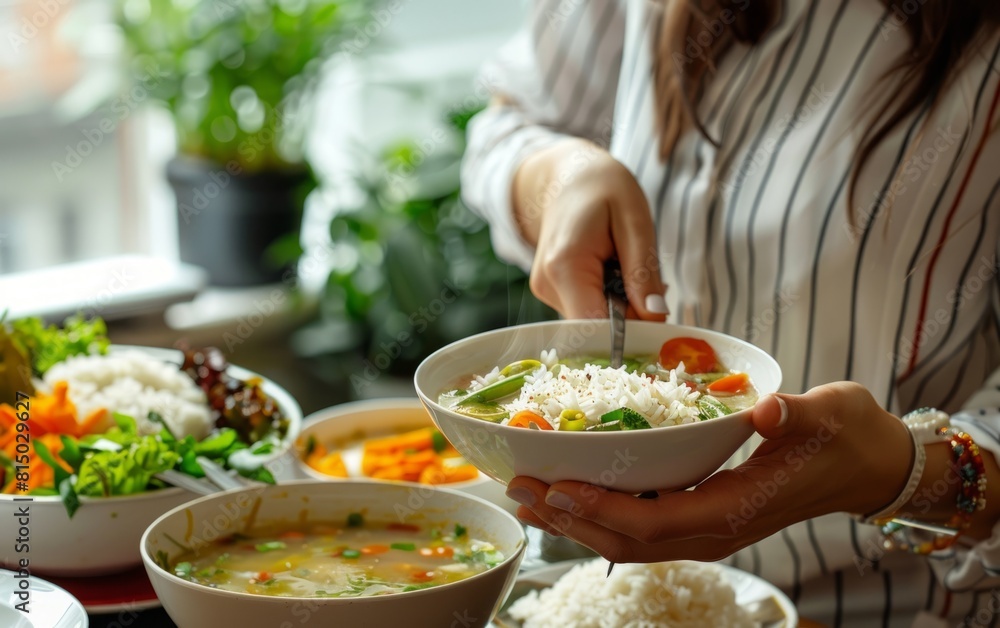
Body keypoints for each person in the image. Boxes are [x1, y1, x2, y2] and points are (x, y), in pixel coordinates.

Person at [460, 1, 1000, 625]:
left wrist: (893, 472)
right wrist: (558, 177)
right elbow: (511, 122)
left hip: (884, 606)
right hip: (586, 593)